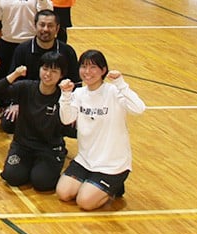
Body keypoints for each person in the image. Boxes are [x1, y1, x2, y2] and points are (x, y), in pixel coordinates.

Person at [57, 50, 146, 210]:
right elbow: (67, 119)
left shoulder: (113, 92)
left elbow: (139, 108)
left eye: (93, 67)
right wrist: (65, 95)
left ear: (103, 70)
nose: (87, 72)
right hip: (85, 160)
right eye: (83, 67)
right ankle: (93, 185)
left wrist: (121, 84)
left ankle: (114, 185)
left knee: (84, 202)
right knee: (63, 193)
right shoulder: (78, 93)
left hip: (111, 164)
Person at [0, 52, 74, 191]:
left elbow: (69, 127)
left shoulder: (64, 98)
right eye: (45, 69)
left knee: (42, 183)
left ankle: (48, 164)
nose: (48, 74)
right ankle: (29, 167)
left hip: (49, 148)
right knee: (12, 177)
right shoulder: (26, 87)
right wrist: (15, 74)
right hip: (23, 146)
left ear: (61, 75)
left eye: (54, 71)